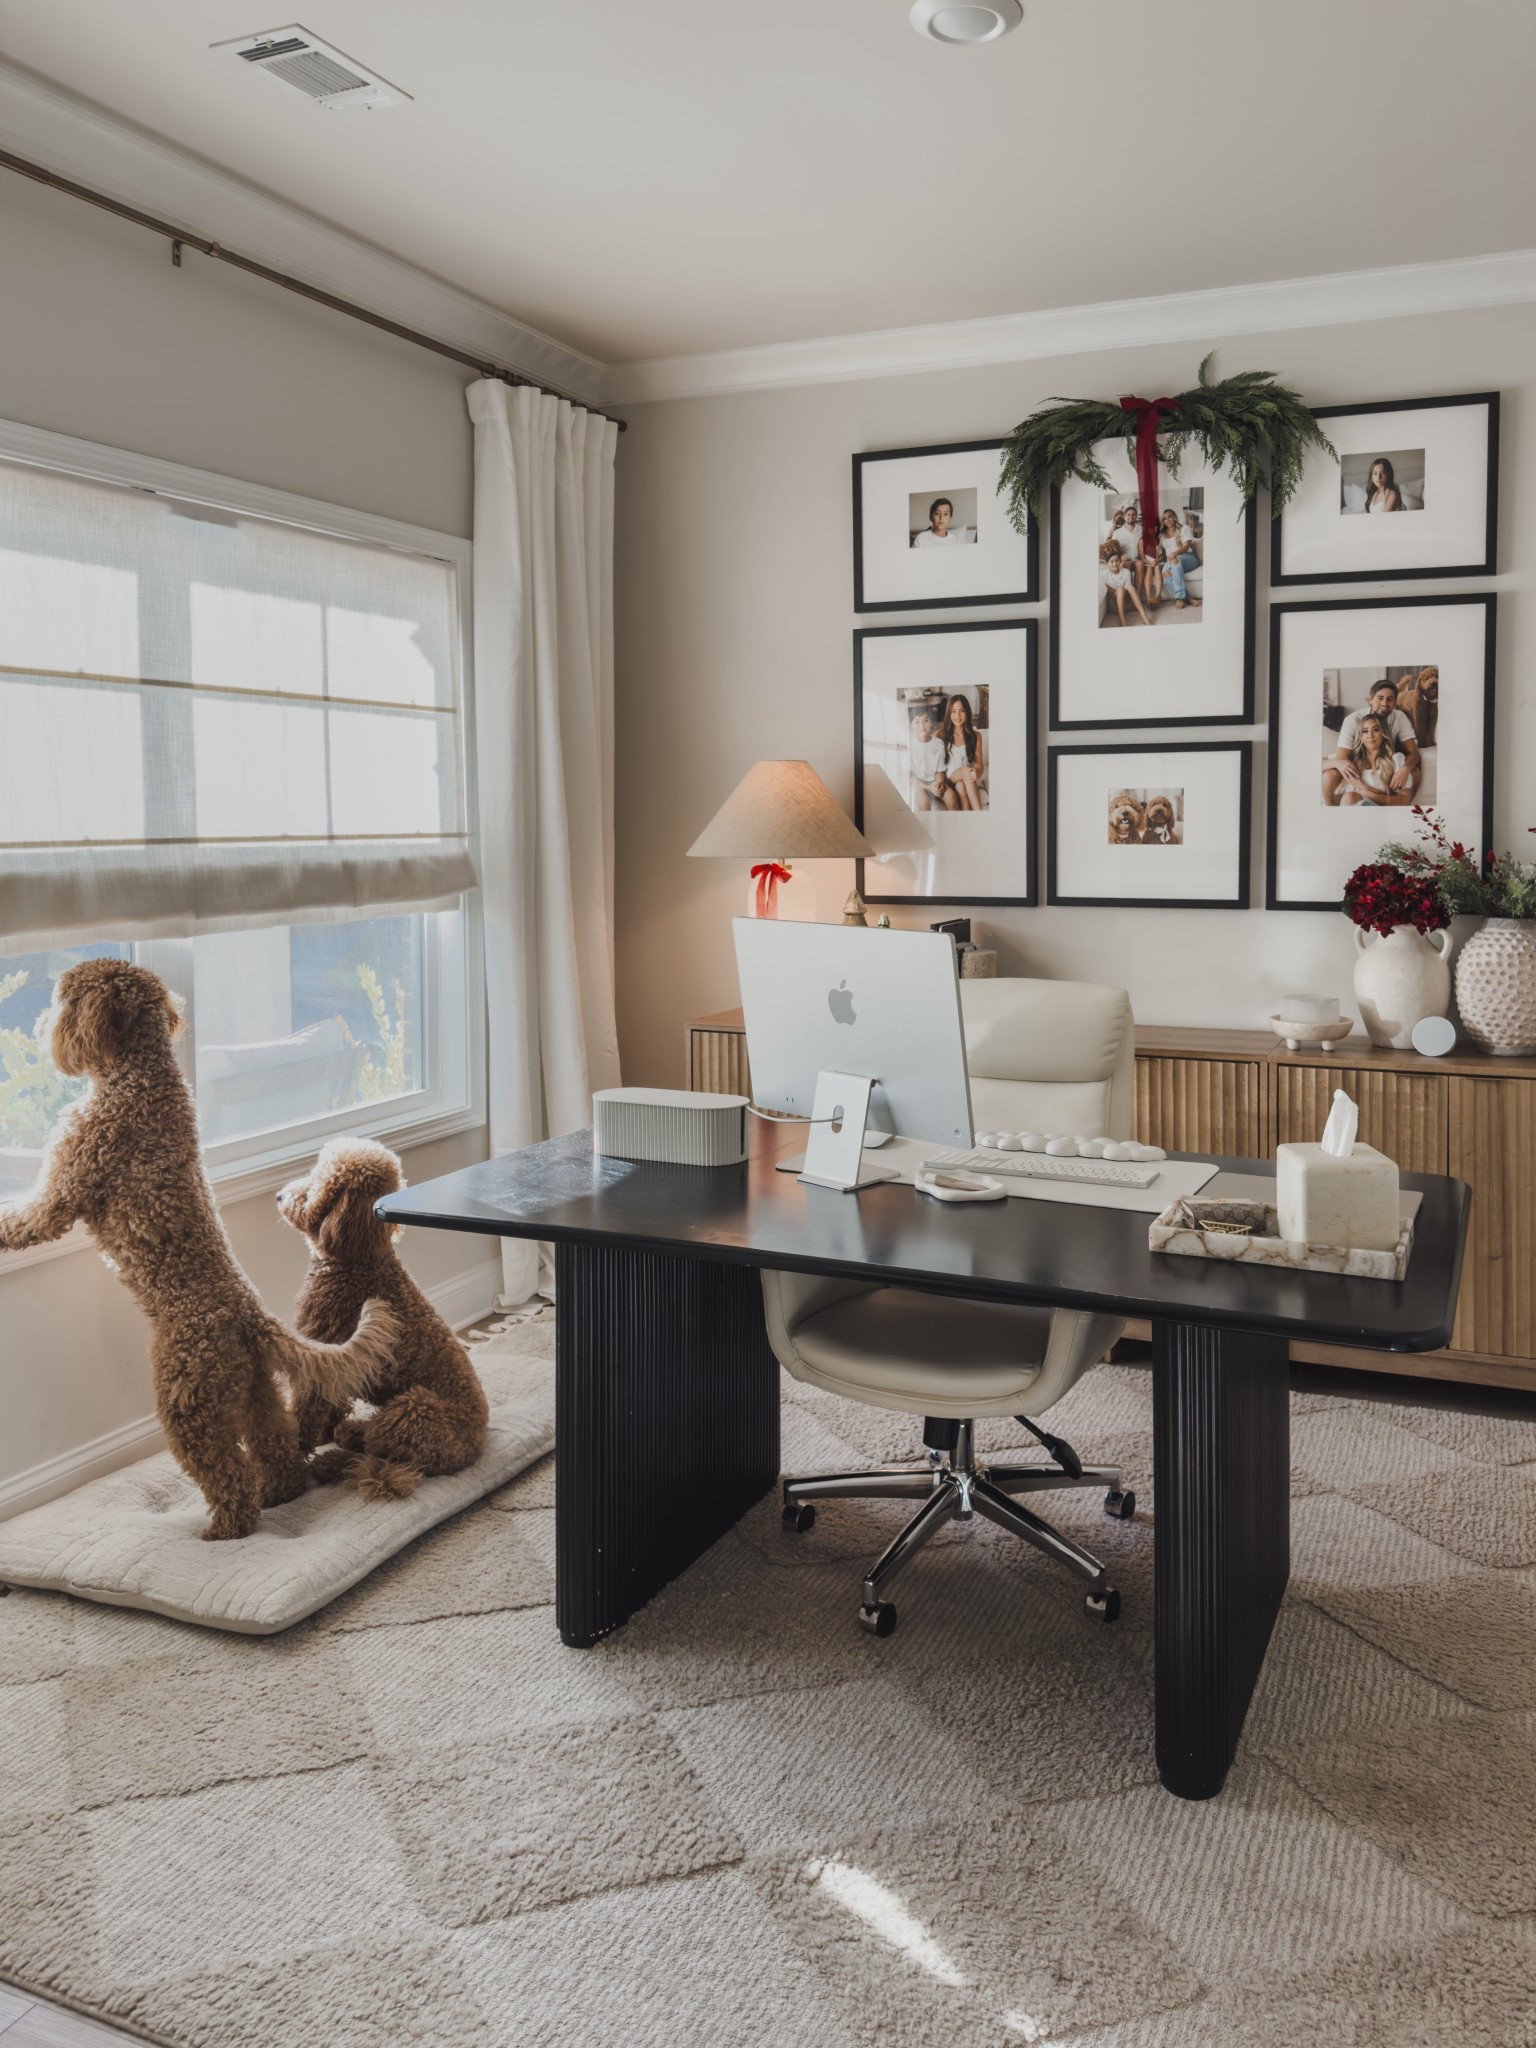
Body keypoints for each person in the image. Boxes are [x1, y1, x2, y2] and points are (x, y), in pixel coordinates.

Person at [1323, 677, 1421, 805]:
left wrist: (1405, 769)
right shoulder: (1353, 720)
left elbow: (1413, 752)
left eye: (1390, 699)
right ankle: (1328, 810)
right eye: (1380, 698)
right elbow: (1343, 761)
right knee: (1331, 773)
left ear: (1395, 702)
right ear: (1370, 700)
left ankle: (1405, 809)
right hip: (1354, 755)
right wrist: (1366, 789)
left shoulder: (1399, 717)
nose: (1385, 704)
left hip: (1384, 755)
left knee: (1414, 771)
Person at [1334, 711, 1413, 807]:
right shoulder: (1349, 760)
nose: (1370, 735)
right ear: (1360, 736)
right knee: (1350, 797)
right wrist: (1336, 763)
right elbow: (1320, 763)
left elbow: (1404, 801)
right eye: (1365, 731)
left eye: (1376, 730)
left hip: (1383, 813)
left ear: (1383, 733)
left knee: (1351, 797)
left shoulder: (1396, 760)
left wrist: (1367, 792)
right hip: (1355, 813)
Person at [941, 693, 986, 811]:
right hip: (949, 778)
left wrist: (977, 772)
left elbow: (979, 765)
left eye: (961, 711)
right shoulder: (942, 734)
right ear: (949, 713)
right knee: (967, 771)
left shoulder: (976, 736)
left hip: (965, 780)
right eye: (953, 711)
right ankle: (979, 813)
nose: (957, 715)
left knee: (961, 787)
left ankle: (967, 821)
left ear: (967, 712)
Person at [1151, 508, 1202, 609]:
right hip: (1171, 560)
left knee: (1175, 561)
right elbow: (1165, 555)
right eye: (1165, 518)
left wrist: (1175, 553)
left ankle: (1179, 597)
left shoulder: (1184, 528)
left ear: (1174, 517)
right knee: (1165, 572)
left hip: (1188, 557)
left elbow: (1186, 546)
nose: (1168, 520)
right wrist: (1158, 560)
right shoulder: (1162, 535)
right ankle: (1188, 598)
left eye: (1170, 516)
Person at [907, 704, 955, 810]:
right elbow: (909, 777)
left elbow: (939, 771)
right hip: (918, 785)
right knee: (924, 803)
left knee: (951, 796)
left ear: (931, 722)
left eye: (925, 720)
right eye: (917, 721)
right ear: (910, 726)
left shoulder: (939, 744)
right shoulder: (909, 746)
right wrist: (927, 787)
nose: (922, 725)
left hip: (934, 782)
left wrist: (939, 784)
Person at [1100, 539, 1152, 627]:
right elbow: (1106, 587)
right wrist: (1115, 590)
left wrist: (1116, 589)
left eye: (1117, 561)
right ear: (1107, 564)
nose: (1114, 564)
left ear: (1120, 561)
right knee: (1120, 589)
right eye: (1111, 562)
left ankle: (1144, 617)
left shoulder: (1125, 572)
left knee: (1130, 587)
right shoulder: (1104, 574)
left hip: (1126, 603)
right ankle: (1122, 621)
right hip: (1113, 605)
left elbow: (1128, 587)